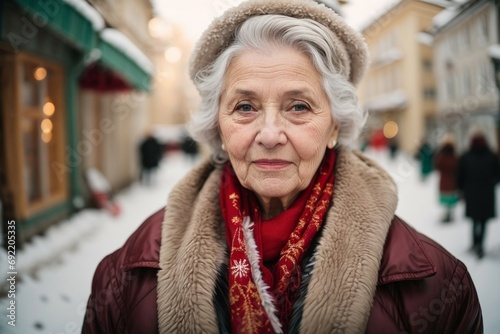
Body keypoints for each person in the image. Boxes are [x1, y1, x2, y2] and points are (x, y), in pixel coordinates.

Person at [83, 1, 482, 333]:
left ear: (334, 127)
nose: (270, 134)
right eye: (245, 106)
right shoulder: (128, 276)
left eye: (298, 106)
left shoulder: (436, 285)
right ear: (217, 126)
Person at [457, 130, 500, 259]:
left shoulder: (466, 157)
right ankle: (480, 244)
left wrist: (461, 189)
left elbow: (460, 176)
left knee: (474, 220)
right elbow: (498, 174)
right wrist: (491, 182)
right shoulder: (491, 156)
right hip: (487, 194)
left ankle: (475, 243)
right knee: (483, 221)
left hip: (471, 194)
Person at [434, 134, 459, 223]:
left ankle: (447, 214)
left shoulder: (441, 156)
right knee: (450, 199)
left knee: (446, 199)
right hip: (452, 180)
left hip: (444, 180)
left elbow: (437, 166)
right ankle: (449, 214)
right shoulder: (455, 156)